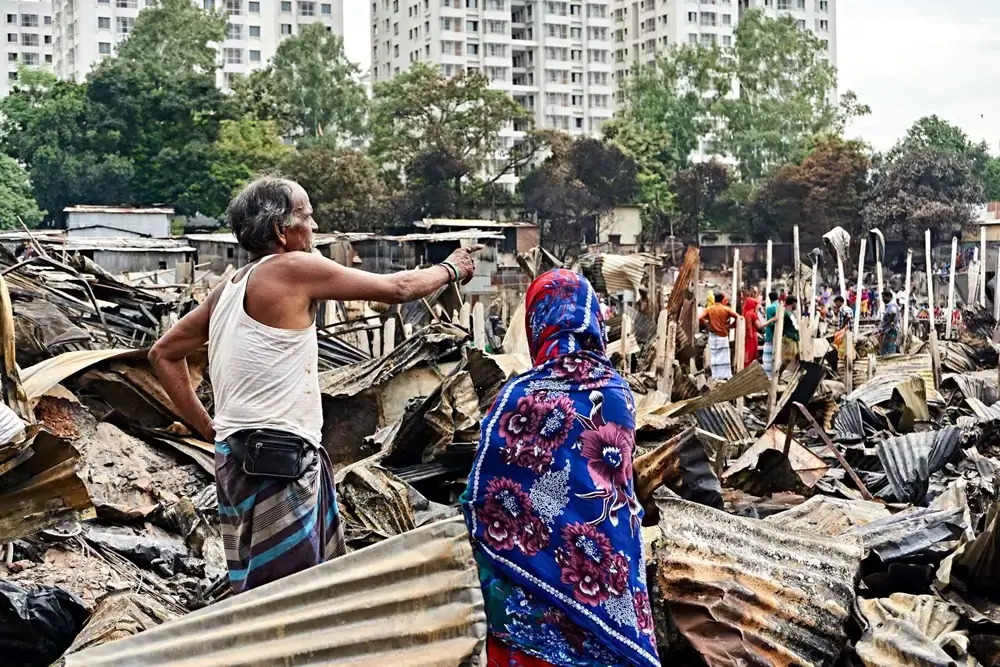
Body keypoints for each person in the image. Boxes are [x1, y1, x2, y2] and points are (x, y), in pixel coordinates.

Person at [148, 177, 481, 594]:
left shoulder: (228, 289)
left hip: (235, 459)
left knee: (258, 588)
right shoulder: (293, 268)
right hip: (278, 460)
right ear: (280, 231)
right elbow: (397, 289)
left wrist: (210, 429)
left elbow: (163, 353)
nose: (315, 224)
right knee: (290, 598)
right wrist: (452, 268)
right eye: (306, 216)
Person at [460, 269, 659, 667]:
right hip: (608, 567)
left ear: (538, 323)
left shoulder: (518, 394)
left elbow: (481, 497)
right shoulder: (617, 390)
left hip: (530, 582)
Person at [700, 290, 739, 380]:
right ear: (722, 300)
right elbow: (738, 317)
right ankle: (724, 375)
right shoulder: (726, 309)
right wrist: (730, 326)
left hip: (713, 335)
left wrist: (707, 324)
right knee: (724, 357)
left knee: (714, 356)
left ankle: (715, 376)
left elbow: (700, 318)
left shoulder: (709, 309)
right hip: (723, 335)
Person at [831, 295, 853, 373]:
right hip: (846, 331)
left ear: (839, 302)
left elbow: (848, 317)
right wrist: (835, 312)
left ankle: (840, 363)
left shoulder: (843, 308)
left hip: (845, 331)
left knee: (839, 346)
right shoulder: (843, 309)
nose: (835, 304)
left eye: (836, 303)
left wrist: (841, 328)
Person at [742, 288, 763, 366]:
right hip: (752, 337)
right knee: (752, 354)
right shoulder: (753, 314)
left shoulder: (746, 312)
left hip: (747, 335)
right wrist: (772, 320)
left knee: (747, 353)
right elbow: (759, 326)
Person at [762, 291, 779, 378]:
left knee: (768, 358)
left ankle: (768, 376)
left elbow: (770, 324)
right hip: (779, 336)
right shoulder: (780, 306)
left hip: (770, 335)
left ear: (769, 298)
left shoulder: (770, 308)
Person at [879, 289, 900, 355]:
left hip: (889, 331)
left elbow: (893, 312)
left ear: (889, 297)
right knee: (888, 348)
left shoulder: (892, 306)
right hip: (888, 330)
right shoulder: (891, 306)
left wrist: (891, 321)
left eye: (883, 297)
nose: (882, 299)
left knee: (888, 350)